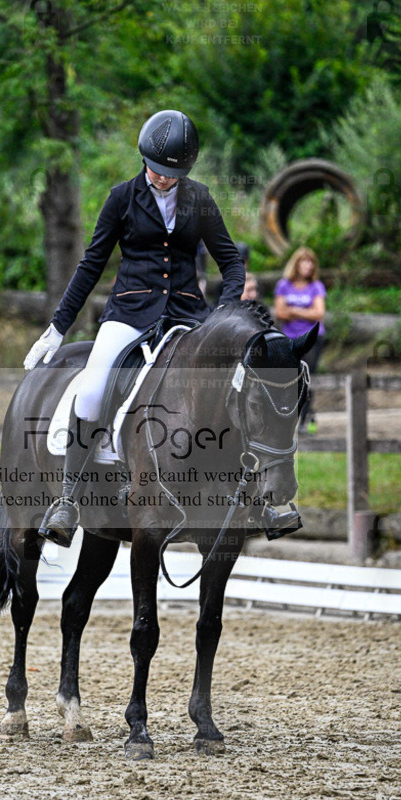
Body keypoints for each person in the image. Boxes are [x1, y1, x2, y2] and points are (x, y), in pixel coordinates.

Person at [23, 109, 246, 547]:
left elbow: (231, 261)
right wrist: (57, 328)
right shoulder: (122, 197)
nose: (164, 180)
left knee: (229, 386)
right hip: (129, 313)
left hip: (187, 315)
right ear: (145, 159)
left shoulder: (198, 198)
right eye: (158, 172)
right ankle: (68, 499)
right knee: (91, 390)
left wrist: (225, 312)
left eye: (172, 174)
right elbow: (90, 265)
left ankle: (246, 493)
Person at [273, 246, 325, 432]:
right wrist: (306, 313)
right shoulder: (283, 285)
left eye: (311, 262)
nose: (308, 266)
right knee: (288, 378)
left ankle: (304, 419)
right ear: (296, 264)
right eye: (304, 261)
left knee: (307, 377)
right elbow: (280, 312)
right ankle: (286, 419)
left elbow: (319, 313)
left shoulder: (316, 287)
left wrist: (294, 310)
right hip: (289, 340)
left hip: (312, 339)